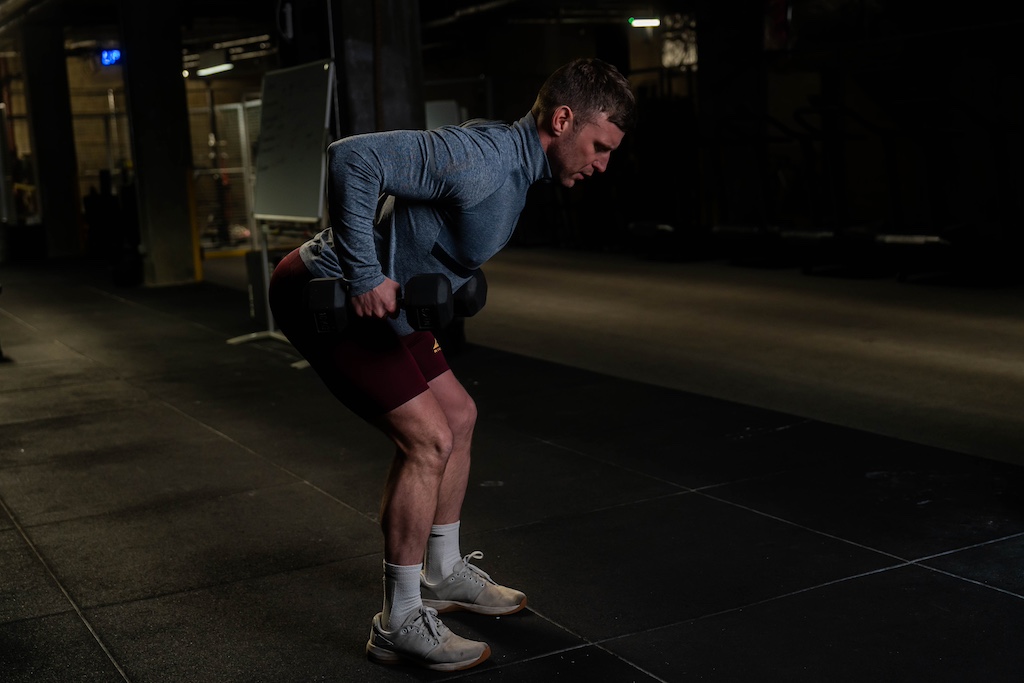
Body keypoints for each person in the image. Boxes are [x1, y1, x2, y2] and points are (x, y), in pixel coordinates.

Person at [268, 57, 636, 672]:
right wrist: (364, 273)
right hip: (323, 291)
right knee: (428, 441)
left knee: (459, 415)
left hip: (393, 313)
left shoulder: (516, 169)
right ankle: (400, 621)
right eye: (599, 146)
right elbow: (352, 158)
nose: (601, 164)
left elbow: (432, 228)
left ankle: (441, 573)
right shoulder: (484, 158)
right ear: (563, 119)